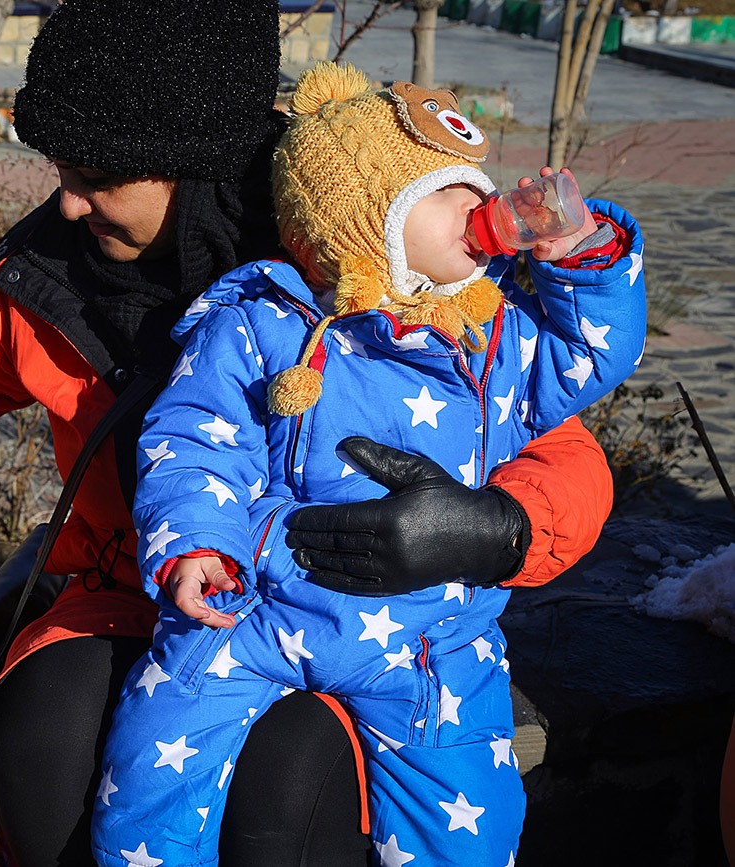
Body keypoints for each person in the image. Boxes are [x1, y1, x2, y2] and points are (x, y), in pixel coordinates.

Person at [0, 4, 619, 864]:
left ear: (191, 160)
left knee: (287, 790)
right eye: (62, 174)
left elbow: (551, 442)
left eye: (98, 177)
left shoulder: (359, 246)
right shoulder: (52, 275)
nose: (69, 202)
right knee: (45, 758)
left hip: (359, 617)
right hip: (138, 586)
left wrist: (495, 528)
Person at [91, 63, 645, 867]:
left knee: (468, 820)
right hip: (257, 606)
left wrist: (584, 256)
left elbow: (594, 353)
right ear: (365, 224)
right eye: (445, 195)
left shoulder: (497, 337)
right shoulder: (265, 323)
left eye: (475, 186)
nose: (480, 207)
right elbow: (196, 436)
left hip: (432, 635)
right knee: (150, 769)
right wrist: (197, 543)